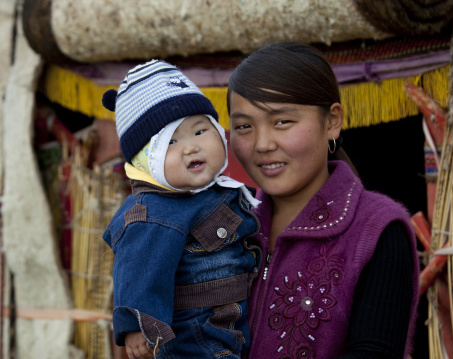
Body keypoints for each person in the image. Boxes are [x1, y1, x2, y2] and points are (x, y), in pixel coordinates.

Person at [226, 42, 420, 358]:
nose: (261, 144)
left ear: (331, 121)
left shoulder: (377, 229)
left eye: (282, 121)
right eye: (244, 126)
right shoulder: (229, 227)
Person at [102, 60, 261, 359]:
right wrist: (136, 324)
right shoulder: (153, 213)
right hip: (193, 334)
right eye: (171, 141)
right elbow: (136, 271)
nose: (191, 148)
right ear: (144, 162)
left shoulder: (218, 191)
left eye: (201, 131)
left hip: (234, 320)